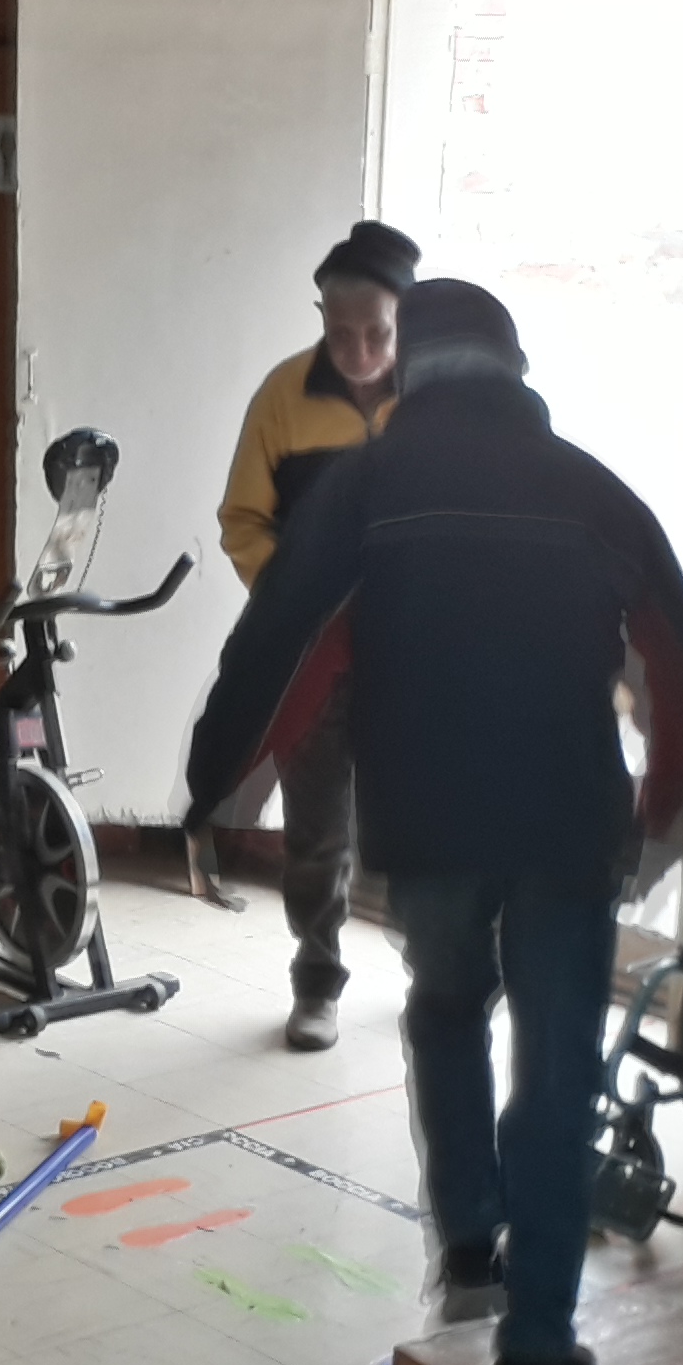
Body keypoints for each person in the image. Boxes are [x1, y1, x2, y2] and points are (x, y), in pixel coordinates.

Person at [185, 280, 683, 1365]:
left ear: (408, 371)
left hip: (428, 823)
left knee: (444, 1010)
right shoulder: (593, 489)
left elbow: (283, 646)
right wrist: (660, 816)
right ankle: (539, 1342)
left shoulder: (368, 487)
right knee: (560, 1064)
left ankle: (471, 1248)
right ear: (517, 369)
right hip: (569, 822)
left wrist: (216, 791)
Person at [216, 220, 418, 1051]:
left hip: (416, 653)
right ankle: (316, 981)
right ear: (321, 319)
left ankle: (433, 974)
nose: (359, 351)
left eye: (378, 333)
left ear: (406, 321)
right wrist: (297, 605)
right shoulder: (282, 397)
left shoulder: (436, 403)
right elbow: (242, 519)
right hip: (311, 656)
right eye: (341, 333)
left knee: (417, 823)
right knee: (316, 826)